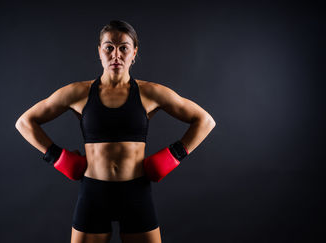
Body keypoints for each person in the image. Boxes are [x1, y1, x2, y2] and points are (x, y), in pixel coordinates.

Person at [15, 20, 216, 243]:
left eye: (124, 47)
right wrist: (56, 156)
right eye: (109, 47)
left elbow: (205, 121)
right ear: (99, 52)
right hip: (94, 194)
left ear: (134, 52)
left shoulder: (150, 92)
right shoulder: (78, 93)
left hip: (136, 194)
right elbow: (25, 122)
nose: (116, 55)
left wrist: (174, 155)